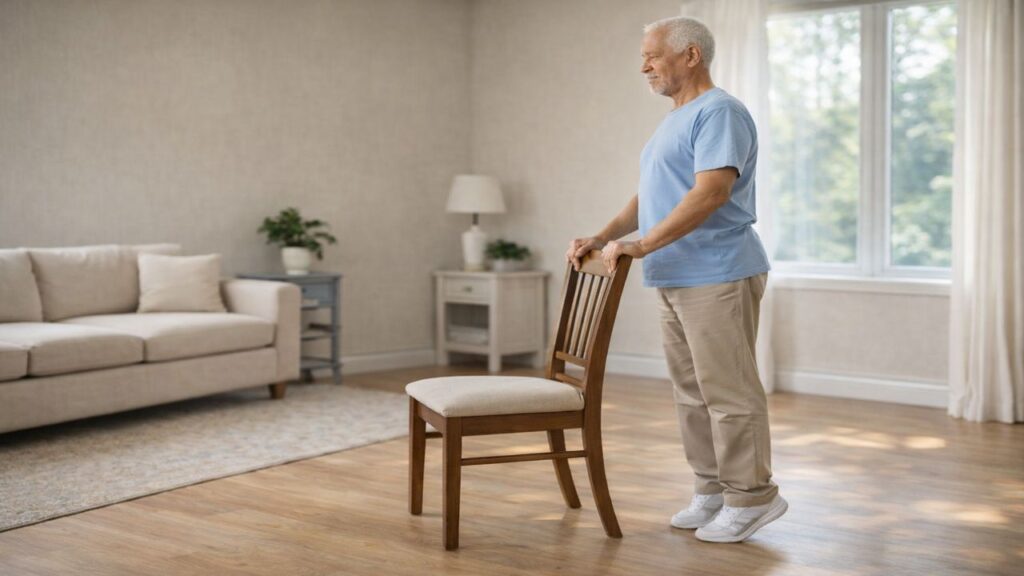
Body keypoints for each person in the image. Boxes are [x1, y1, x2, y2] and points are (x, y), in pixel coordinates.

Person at [565, 16, 786, 543]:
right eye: (643, 56)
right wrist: (604, 235)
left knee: (728, 391)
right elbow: (651, 196)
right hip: (675, 274)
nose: (644, 65)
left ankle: (753, 497)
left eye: (653, 54)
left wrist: (641, 245)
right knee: (692, 394)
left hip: (718, 271)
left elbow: (711, 193)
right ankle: (711, 490)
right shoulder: (675, 118)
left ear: (691, 55)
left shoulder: (720, 111)